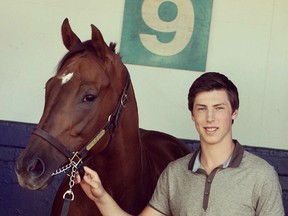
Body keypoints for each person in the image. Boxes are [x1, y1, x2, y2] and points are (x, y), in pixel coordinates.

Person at [75, 72, 284, 215]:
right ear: (193, 115)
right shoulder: (174, 173)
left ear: (234, 113)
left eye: (219, 108)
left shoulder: (261, 175)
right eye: (201, 108)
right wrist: (100, 196)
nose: (210, 118)